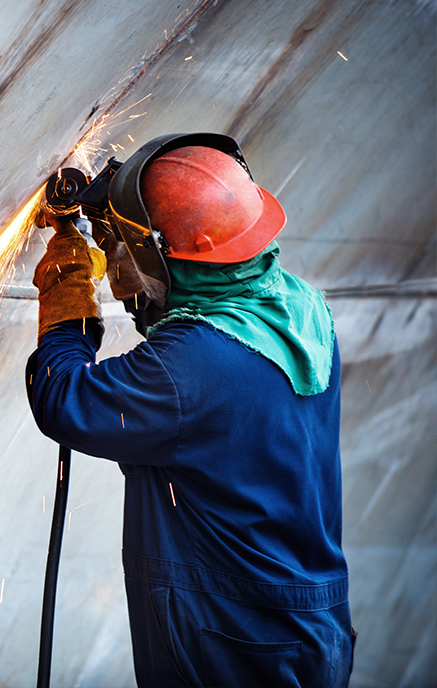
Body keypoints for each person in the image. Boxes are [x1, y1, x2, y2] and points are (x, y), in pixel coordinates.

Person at [26, 134, 356, 688]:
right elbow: (189, 334)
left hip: (233, 640)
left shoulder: (191, 367)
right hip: (310, 627)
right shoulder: (300, 306)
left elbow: (64, 399)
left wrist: (68, 283)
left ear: (164, 253)